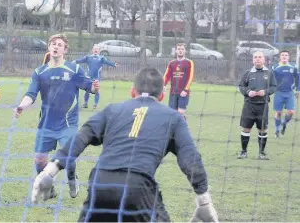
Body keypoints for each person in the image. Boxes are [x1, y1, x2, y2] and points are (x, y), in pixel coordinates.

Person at [31, 67, 218, 222]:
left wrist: (49, 171)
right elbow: (190, 158)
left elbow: (80, 138)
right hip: (138, 186)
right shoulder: (174, 118)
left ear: (132, 91)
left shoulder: (112, 110)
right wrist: (203, 200)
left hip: (100, 183)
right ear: (162, 96)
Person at [14, 33, 99, 199]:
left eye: (60, 44)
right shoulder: (39, 72)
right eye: (53, 43)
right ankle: (49, 188)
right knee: (39, 161)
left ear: (65, 49)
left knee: (68, 156)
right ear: (48, 47)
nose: (56, 46)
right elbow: (31, 94)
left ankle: (72, 178)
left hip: (68, 123)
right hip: (46, 123)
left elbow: (89, 87)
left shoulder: (73, 69)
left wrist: (95, 88)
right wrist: (21, 106)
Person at [237, 51, 277, 160]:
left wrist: (266, 92)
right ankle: (243, 152)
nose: (257, 59)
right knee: (246, 128)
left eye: (260, 57)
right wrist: (248, 92)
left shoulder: (269, 73)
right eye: (255, 57)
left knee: (263, 129)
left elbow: (274, 87)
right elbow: (241, 86)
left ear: (264, 59)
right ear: (252, 60)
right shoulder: (248, 72)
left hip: (263, 106)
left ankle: (261, 153)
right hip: (249, 105)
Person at [73, 45, 118, 109]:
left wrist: (114, 64)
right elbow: (80, 60)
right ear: (92, 50)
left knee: (96, 90)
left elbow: (108, 62)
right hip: (89, 78)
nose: (96, 50)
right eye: (94, 49)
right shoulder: (88, 57)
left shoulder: (101, 58)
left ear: (99, 51)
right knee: (87, 90)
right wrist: (74, 61)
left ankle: (95, 104)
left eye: (97, 49)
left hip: (97, 78)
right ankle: (85, 103)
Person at [163, 43, 195, 119]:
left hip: (183, 93)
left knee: (180, 113)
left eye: (182, 49)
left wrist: (185, 90)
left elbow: (191, 77)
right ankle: (173, 130)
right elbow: (166, 75)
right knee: (172, 113)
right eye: (179, 49)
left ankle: (183, 128)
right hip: (173, 93)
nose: (180, 51)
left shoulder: (189, 62)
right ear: (176, 51)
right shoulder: (171, 63)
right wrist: (163, 85)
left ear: (185, 51)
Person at [272, 50, 299, 138]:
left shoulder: (293, 67)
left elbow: (298, 78)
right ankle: (277, 130)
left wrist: (298, 90)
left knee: (291, 112)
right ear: (280, 57)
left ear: (288, 57)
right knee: (278, 113)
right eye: (282, 55)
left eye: (286, 55)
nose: (284, 56)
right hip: (279, 93)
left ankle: (284, 123)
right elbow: (271, 80)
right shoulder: (275, 67)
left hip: (289, 93)